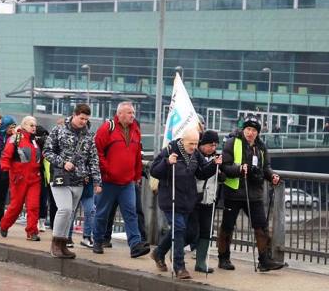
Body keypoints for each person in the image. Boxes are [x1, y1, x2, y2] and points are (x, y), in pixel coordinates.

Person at [150, 129, 220, 280]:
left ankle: (159, 252)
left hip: (187, 200)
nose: (194, 147)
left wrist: (214, 164)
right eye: (191, 143)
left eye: (196, 143)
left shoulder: (195, 154)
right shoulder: (170, 150)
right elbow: (154, 171)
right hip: (171, 199)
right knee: (179, 228)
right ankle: (179, 267)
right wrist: (167, 162)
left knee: (185, 231)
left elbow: (201, 173)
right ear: (182, 140)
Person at [217, 115, 284, 272]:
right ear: (243, 129)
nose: (250, 132)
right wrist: (239, 169)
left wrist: (272, 176)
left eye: (254, 130)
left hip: (254, 193)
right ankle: (223, 258)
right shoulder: (232, 143)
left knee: (261, 226)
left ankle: (264, 260)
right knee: (227, 226)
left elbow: (265, 168)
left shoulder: (261, 148)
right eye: (248, 129)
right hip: (233, 192)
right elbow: (224, 166)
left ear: (258, 132)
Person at [92, 101, 150, 258]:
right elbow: (97, 151)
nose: (133, 116)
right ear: (120, 114)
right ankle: (97, 240)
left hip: (127, 182)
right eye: (130, 113)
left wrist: (137, 175)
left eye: (133, 112)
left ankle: (135, 245)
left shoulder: (135, 130)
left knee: (131, 213)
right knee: (102, 213)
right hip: (108, 181)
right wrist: (107, 171)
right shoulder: (107, 128)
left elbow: (137, 154)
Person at [44, 104, 102, 259]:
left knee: (70, 214)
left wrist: (97, 182)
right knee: (65, 210)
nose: (84, 121)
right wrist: (63, 162)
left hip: (79, 179)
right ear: (74, 115)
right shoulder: (59, 130)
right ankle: (55, 243)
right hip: (60, 176)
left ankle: (63, 245)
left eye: (86, 119)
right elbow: (47, 151)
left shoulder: (89, 136)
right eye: (81, 118)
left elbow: (93, 159)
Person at [185, 130, 226, 273]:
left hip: (210, 199)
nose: (212, 148)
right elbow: (200, 174)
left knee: (206, 232)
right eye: (210, 145)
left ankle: (201, 262)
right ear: (202, 144)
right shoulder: (194, 156)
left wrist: (221, 173)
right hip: (195, 199)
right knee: (191, 232)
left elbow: (224, 175)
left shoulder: (217, 157)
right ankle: (170, 249)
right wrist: (213, 165)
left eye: (215, 145)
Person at [0, 116, 43, 241]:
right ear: (24, 126)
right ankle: (4, 225)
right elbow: (6, 155)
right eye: (31, 125)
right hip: (19, 178)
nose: (34, 127)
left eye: (35, 125)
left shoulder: (36, 140)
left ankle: (32, 232)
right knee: (16, 206)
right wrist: (5, 168)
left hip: (34, 178)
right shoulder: (15, 138)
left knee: (33, 206)